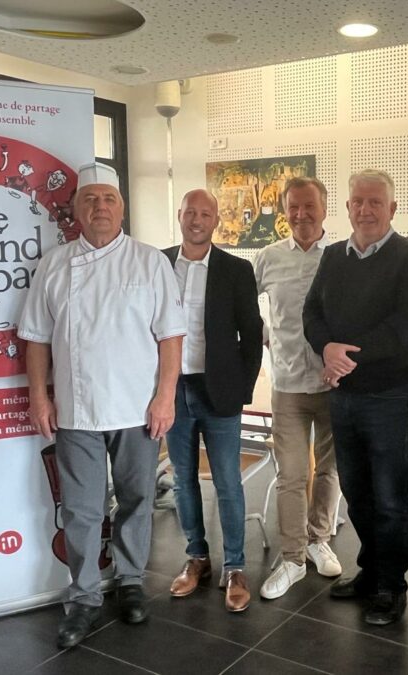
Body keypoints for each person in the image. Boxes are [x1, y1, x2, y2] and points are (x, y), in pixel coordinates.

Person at [19, 162, 185, 648]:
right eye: (90, 199)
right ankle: (84, 596)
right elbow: (35, 339)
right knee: (82, 509)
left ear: (122, 208)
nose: (100, 208)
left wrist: (165, 396)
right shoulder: (54, 264)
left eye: (108, 200)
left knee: (136, 500)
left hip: (138, 409)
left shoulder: (150, 261)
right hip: (76, 409)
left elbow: (169, 337)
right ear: (76, 209)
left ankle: (130, 581)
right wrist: (38, 396)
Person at [303, 169, 408, 625]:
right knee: (357, 493)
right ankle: (370, 570)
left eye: (375, 202)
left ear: (392, 209)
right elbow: (312, 311)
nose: (366, 209)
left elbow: (403, 325)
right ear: (348, 207)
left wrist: (345, 356)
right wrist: (326, 348)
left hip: (387, 395)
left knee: (391, 498)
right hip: (343, 396)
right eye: (358, 201)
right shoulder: (335, 256)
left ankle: (391, 587)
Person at [163, 189, 264, 613]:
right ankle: (197, 558)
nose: (197, 219)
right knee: (183, 479)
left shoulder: (236, 270)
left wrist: (243, 389)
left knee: (227, 481)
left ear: (216, 220)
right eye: (191, 212)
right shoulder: (158, 263)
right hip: (172, 389)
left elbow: (252, 335)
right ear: (180, 215)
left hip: (218, 389)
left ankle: (235, 567)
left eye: (205, 213)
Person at [254, 177, 343, 600]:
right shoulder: (268, 257)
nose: (302, 215)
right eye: (294, 207)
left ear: (325, 209)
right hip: (288, 385)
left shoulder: (343, 257)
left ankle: (317, 538)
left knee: (329, 469)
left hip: (334, 386)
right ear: (284, 211)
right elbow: (244, 309)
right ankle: (291, 558)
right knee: (291, 474)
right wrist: (265, 337)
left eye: (310, 206)